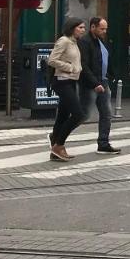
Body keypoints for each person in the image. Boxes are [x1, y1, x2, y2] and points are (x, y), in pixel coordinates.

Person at [45, 18, 86, 162]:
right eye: (80, 27)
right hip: (62, 81)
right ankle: (58, 145)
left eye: (83, 28)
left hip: (71, 81)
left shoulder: (74, 42)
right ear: (72, 28)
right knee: (78, 115)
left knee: (63, 115)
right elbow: (52, 60)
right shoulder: (64, 41)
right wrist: (71, 68)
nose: (83, 30)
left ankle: (55, 143)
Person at [77, 16, 119, 154]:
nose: (104, 31)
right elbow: (84, 64)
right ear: (93, 27)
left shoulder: (101, 41)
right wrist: (94, 83)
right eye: (102, 29)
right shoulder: (85, 42)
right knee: (83, 114)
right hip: (90, 84)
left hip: (103, 81)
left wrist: (111, 76)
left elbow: (106, 58)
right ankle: (57, 136)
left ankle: (103, 143)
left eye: (105, 29)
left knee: (106, 114)